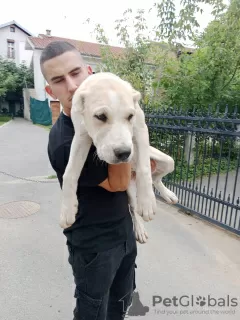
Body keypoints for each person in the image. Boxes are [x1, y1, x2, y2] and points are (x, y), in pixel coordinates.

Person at [40, 40, 156, 320]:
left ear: (89, 71)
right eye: (59, 80)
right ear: (49, 90)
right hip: (95, 247)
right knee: (93, 312)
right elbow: (118, 181)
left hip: (124, 233)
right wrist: (132, 150)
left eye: (76, 73)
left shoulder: (111, 99)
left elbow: (136, 135)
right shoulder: (63, 141)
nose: (72, 85)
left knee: (121, 304)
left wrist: (127, 113)